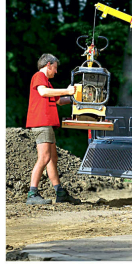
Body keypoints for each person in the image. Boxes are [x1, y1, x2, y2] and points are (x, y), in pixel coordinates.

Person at [25, 53, 81, 205]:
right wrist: (67, 90)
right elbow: (43, 93)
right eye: (55, 68)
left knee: (52, 158)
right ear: (48, 65)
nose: (56, 71)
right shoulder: (39, 76)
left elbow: (60, 101)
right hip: (41, 123)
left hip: (46, 124)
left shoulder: (48, 84)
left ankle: (60, 193)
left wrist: (76, 98)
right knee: (44, 158)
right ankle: (32, 194)